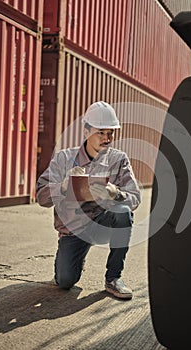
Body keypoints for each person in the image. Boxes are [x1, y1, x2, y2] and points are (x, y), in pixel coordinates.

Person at [36, 101, 141, 299]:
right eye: (100, 132)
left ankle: (113, 278)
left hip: (103, 224)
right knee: (65, 282)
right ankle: (73, 261)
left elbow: (135, 197)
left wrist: (116, 193)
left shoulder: (119, 160)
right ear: (86, 131)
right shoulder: (63, 159)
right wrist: (64, 186)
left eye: (111, 133)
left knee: (123, 213)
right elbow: (41, 196)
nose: (107, 138)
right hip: (73, 231)